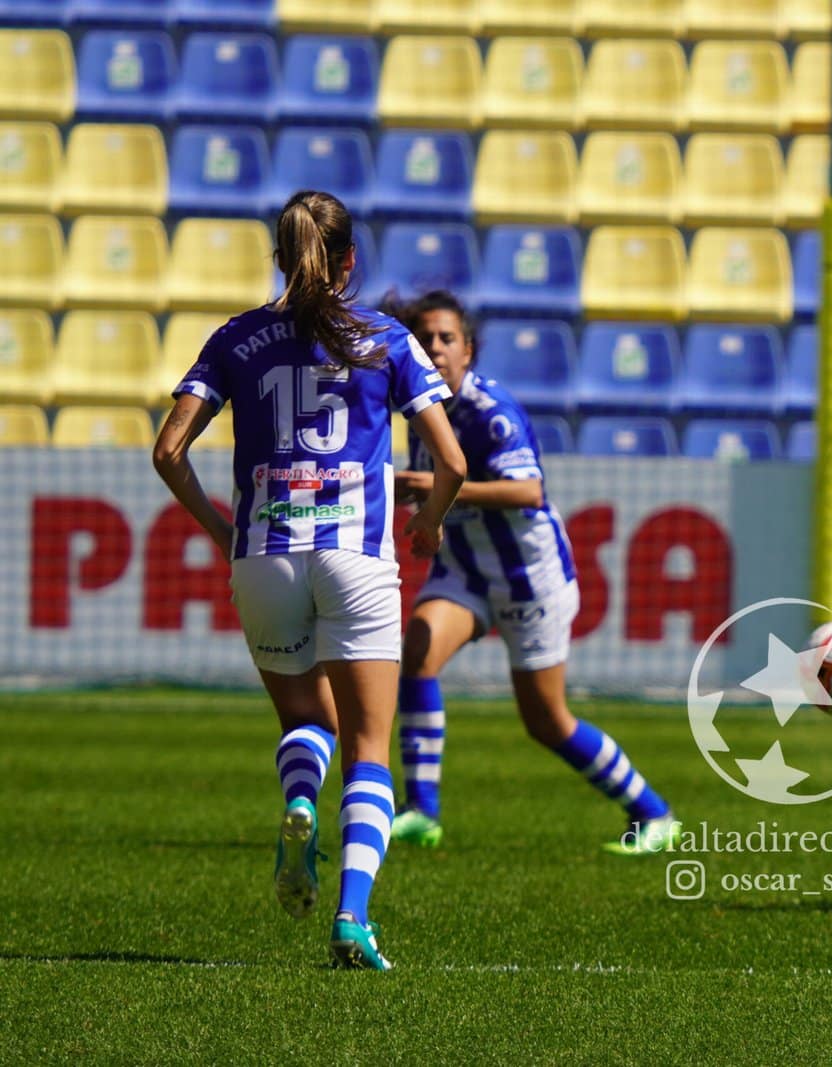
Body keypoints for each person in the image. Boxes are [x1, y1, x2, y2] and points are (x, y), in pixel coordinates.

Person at [152, 190, 467, 970]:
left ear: (281, 257)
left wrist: (224, 530)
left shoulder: (236, 337)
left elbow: (167, 451)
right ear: (349, 260)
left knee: (306, 718)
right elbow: (452, 462)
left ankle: (299, 801)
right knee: (368, 745)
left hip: (264, 554)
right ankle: (352, 918)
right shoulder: (387, 339)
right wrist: (427, 524)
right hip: (357, 557)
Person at [384, 291, 680, 856]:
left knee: (546, 722)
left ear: (468, 351)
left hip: (529, 577)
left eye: (448, 338)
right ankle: (422, 810)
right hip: (466, 570)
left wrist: (432, 489)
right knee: (417, 652)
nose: (436, 348)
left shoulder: (490, 412)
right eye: (425, 340)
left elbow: (529, 491)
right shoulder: (418, 409)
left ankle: (653, 813)